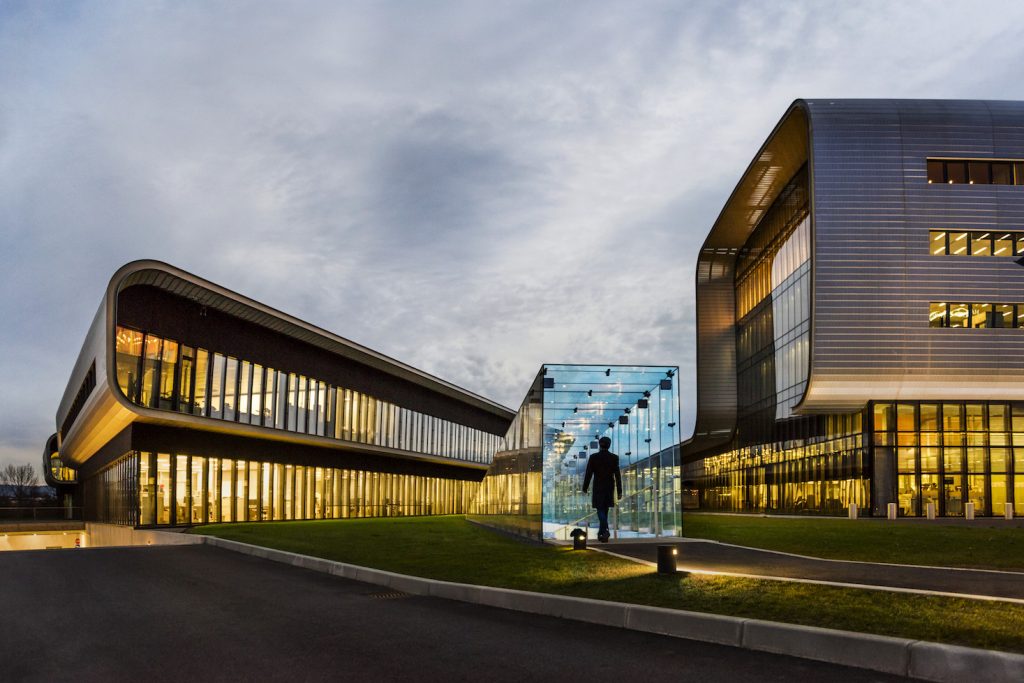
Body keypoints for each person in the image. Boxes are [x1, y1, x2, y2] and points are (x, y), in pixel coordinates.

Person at [582, 436, 622, 542]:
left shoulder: (594, 457)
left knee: (600, 509)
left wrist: (585, 487)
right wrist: (619, 491)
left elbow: (588, 474)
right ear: (609, 445)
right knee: (605, 510)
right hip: (609, 487)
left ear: (600, 445)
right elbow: (617, 475)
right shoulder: (614, 457)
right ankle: (602, 534)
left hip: (598, 487)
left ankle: (604, 531)